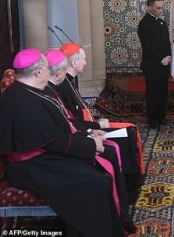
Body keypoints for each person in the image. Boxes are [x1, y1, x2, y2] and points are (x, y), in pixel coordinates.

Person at [0, 49, 124, 236]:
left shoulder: (27, 92)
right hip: (29, 166)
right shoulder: (25, 102)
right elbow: (57, 141)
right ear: (38, 71)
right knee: (95, 183)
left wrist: (88, 141)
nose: (49, 72)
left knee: (92, 173)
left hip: (40, 160)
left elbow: (57, 134)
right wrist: (92, 146)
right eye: (46, 68)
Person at [44, 49, 137, 233]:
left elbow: (69, 119)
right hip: (60, 152)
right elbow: (58, 132)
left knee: (127, 134)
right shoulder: (47, 91)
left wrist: (90, 128)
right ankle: (119, 212)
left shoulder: (51, 89)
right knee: (110, 152)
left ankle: (124, 204)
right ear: (60, 71)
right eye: (84, 59)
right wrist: (90, 135)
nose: (86, 63)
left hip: (76, 136)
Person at [56, 42, 143, 205]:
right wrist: (97, 126)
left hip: (89, 125)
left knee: (130, 130)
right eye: (84, 59)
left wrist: (95, 121)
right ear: (74, 63)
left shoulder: (70, 82)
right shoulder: (62, 87)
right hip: (85, 131)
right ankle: (128, 189)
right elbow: (71, 120)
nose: (86, 63)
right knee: (126, 135)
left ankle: (131, 184)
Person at [137, 0, 172, 129]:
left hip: (164, 65)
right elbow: (147, 46)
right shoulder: (144, 23)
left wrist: (168, 56)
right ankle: (153, 121)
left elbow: (166, 43)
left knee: (163, 92)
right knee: (153, 94)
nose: (160, 10)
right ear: (150, 7)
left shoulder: (162, 23)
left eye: (161, 7)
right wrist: (160, 59)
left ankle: (161, 117)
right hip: (152, 65)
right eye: (158, 8)